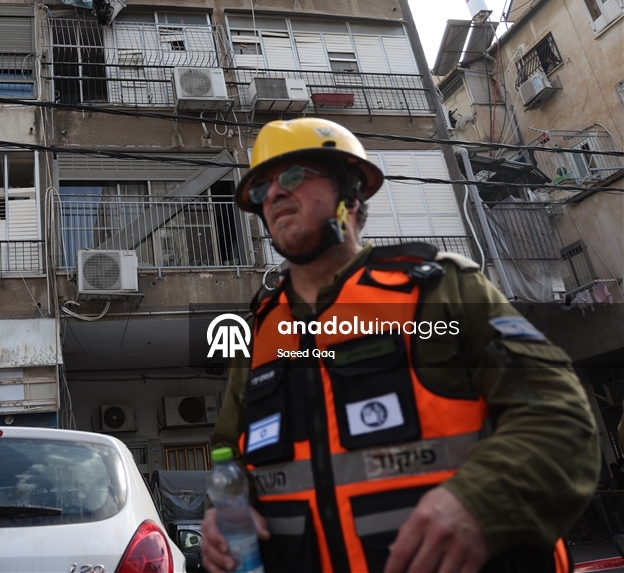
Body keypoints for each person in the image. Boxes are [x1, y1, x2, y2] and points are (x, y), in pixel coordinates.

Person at [201, 118, 599, 573]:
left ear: (350, 190)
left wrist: (478, 503)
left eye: (292, 176)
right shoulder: (258, 334)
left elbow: (560, 419)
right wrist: (220, 516)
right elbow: (229, 460)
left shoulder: (438, 289)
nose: (273, 195)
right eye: (260, 189)